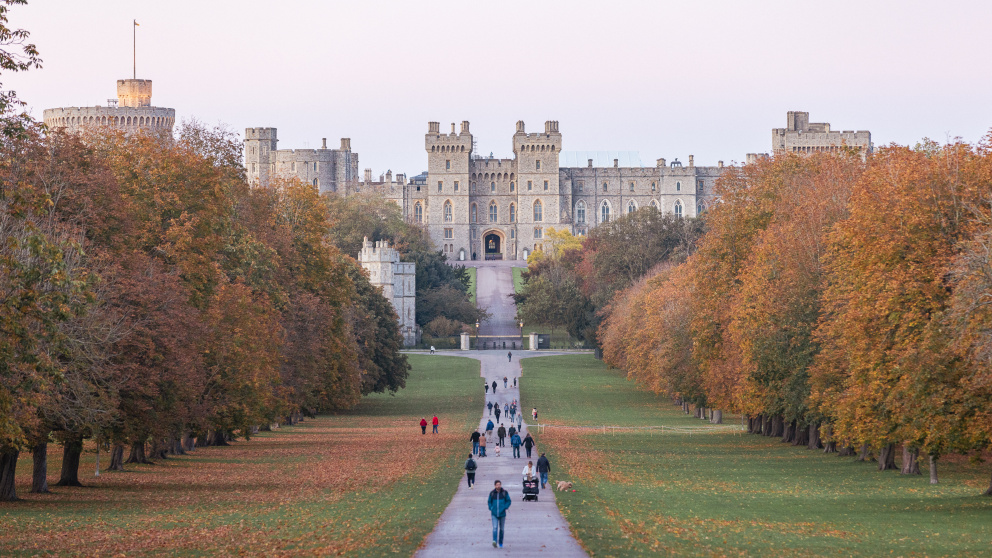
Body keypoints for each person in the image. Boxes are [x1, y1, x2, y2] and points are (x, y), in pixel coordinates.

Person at [488, 480, 512, 548]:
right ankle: (494, 541)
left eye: (499, 484)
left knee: (501, 529)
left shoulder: (504, 493)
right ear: (495, 485)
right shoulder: (492, 493)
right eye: (497, 485)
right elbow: (489, 501)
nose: (498, 486)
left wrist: (505, 507)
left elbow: (508, 501)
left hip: (502, 514)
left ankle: (500, 542)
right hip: (494, 513)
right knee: (495, 527)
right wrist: (491, 508)